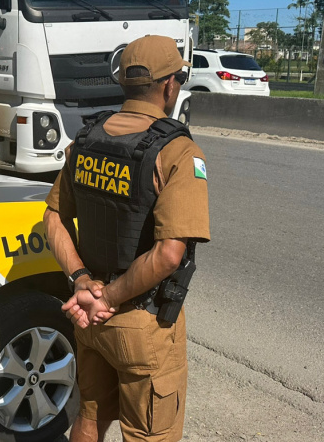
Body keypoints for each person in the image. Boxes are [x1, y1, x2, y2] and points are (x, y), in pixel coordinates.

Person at [43, 35, 210, 442]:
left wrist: (83, 282)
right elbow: (169, 254)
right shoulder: (178, 151)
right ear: (171, 85)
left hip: (89, 317)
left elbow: (51, 218)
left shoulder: (85, 141)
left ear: (124, 83)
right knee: (149, 433)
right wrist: (110, 298)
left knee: (90, 417)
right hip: (140, 322)